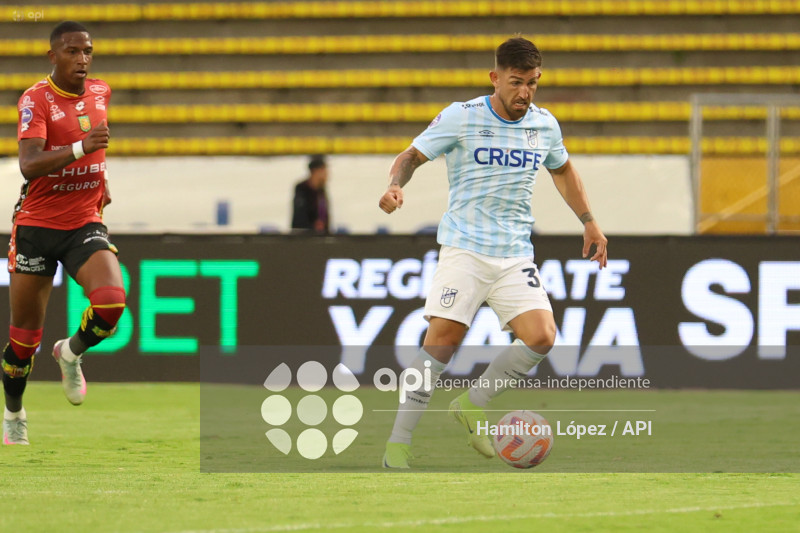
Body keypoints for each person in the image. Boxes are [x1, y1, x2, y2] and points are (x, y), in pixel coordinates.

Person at [378, 36, 608, 468]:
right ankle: (398, 444)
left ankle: (472, 403)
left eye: (533, 83)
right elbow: (411, 156)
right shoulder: (462, 116)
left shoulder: (544, 125)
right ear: (495, 78)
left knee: (542, 336)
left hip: (515, 253)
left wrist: (589, 220)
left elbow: (563, 170)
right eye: (516, 82)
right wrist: (394, 185)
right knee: (441, 344)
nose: (525, 92)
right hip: (465, 249)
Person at [3, 21, 126, 445]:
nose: (82, 59)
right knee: (23, 342)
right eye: (73, 51)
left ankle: (70, 352)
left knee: (112, 302)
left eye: (87, 51)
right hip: (37, 227)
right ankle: (14, 412)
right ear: (52, 56)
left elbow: (96, 150)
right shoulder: (35, 99)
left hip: (82, 223)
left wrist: (100, 179)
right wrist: (81, 149)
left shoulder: (101, 92)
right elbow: (29, 164)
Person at [291, 155, 330, 233]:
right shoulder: (302, 189)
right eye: (323, 171)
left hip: (321, 235)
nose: (327, 174)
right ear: (315, 171)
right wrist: (313, 226)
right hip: (304, 235)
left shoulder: (321, 190)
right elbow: (299, 217)